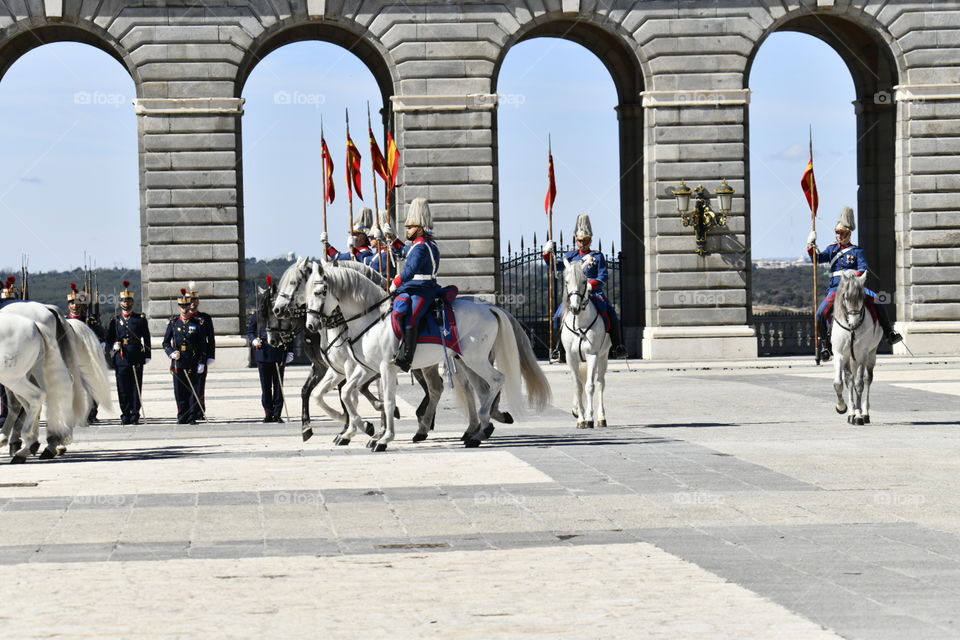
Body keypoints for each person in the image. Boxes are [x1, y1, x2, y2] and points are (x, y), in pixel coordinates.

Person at [807, 206, 902, 361]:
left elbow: (863, 268)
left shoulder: (857, 251)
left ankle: (889, 333)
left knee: (878, 300)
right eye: (837, 232)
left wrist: (852, 276)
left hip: (854, 286)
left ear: (848, 233)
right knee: (820, 313)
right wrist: (811, 246)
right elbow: (817, 259)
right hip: (836, 289)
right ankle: (825, 345)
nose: (838, 235)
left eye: (842, 233)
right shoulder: (831, 249)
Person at [543, 214, 626, 357]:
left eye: (586, 241)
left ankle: (618, 346)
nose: (583, 243)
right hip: (574, 294)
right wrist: (546, 253)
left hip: (593, 293)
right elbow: (555, 267)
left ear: (590, 240)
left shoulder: (598, 256)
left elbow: (602, 276)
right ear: (576, 240)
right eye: (580, 241)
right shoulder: (570, 256)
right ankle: (559, 348)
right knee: (557, 317)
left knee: (611, 314)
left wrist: (589, 285)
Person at [389, 198, 441, 372]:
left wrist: (395, 282)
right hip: (416, 287)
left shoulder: (421, 247)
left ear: (419, 228)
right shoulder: (421, 245)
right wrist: (390, 238)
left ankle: (406, 358)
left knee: (411, 317)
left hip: (422, 289)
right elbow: (402, 251)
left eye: (410, 227)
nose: (408, 230)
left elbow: (409, 271)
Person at [246, 276, 295, 423]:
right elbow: (250, 331)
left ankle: (277, 413)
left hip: (279, 352)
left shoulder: (282, 316)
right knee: (266, 386)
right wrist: (253, 340)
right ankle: (268, 412)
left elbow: (289, 333)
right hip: (263, 353)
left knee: (278, 386)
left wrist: (290, 351)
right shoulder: (257, 316)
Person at [162, 288, 212, 424]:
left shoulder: (198, 323)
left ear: (190, 305)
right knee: (179, 390)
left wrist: (202, 361)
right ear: (178, 307)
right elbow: (165, 342)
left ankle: (191, 416)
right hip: (179, 361)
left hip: (193, 360)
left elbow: (203, 344)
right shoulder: (173, 323)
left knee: (192, 389)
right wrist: (171, 352)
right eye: (181, 306)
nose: (184, 308)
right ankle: (181, 415)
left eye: (186, 305)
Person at [105, 281, 151, 425]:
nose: (126, 303)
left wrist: (148, 355)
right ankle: (125, 413)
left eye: (129, 300)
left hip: (136, 355)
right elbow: (108, 340)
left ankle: (135, 413)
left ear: (132, 302)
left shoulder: (139, 319)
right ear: (120, 303)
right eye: (124, 301)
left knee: (135, 387)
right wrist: (114, 346)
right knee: (122, 388)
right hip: (121, 358)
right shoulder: (115, 320)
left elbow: (147, 337)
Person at [66, 283, 107, 422]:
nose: (75, 306)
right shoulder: (64, 322)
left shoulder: (90, 320)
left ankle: (91, 413)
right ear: (68, 306)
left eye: (77, 303)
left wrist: (99, 345)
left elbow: (102, 338)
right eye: (72, 303)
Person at [187, 281, 215, 418]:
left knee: (199, 385)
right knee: (185, 385)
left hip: (200, 356)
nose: (193, 302)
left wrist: (210, 356)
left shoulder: (205, 318)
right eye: (190, 300)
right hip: (185, 357)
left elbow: (211, 339)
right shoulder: (179, 319)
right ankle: (187, 410)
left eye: (195, 300)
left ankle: (199, 410)